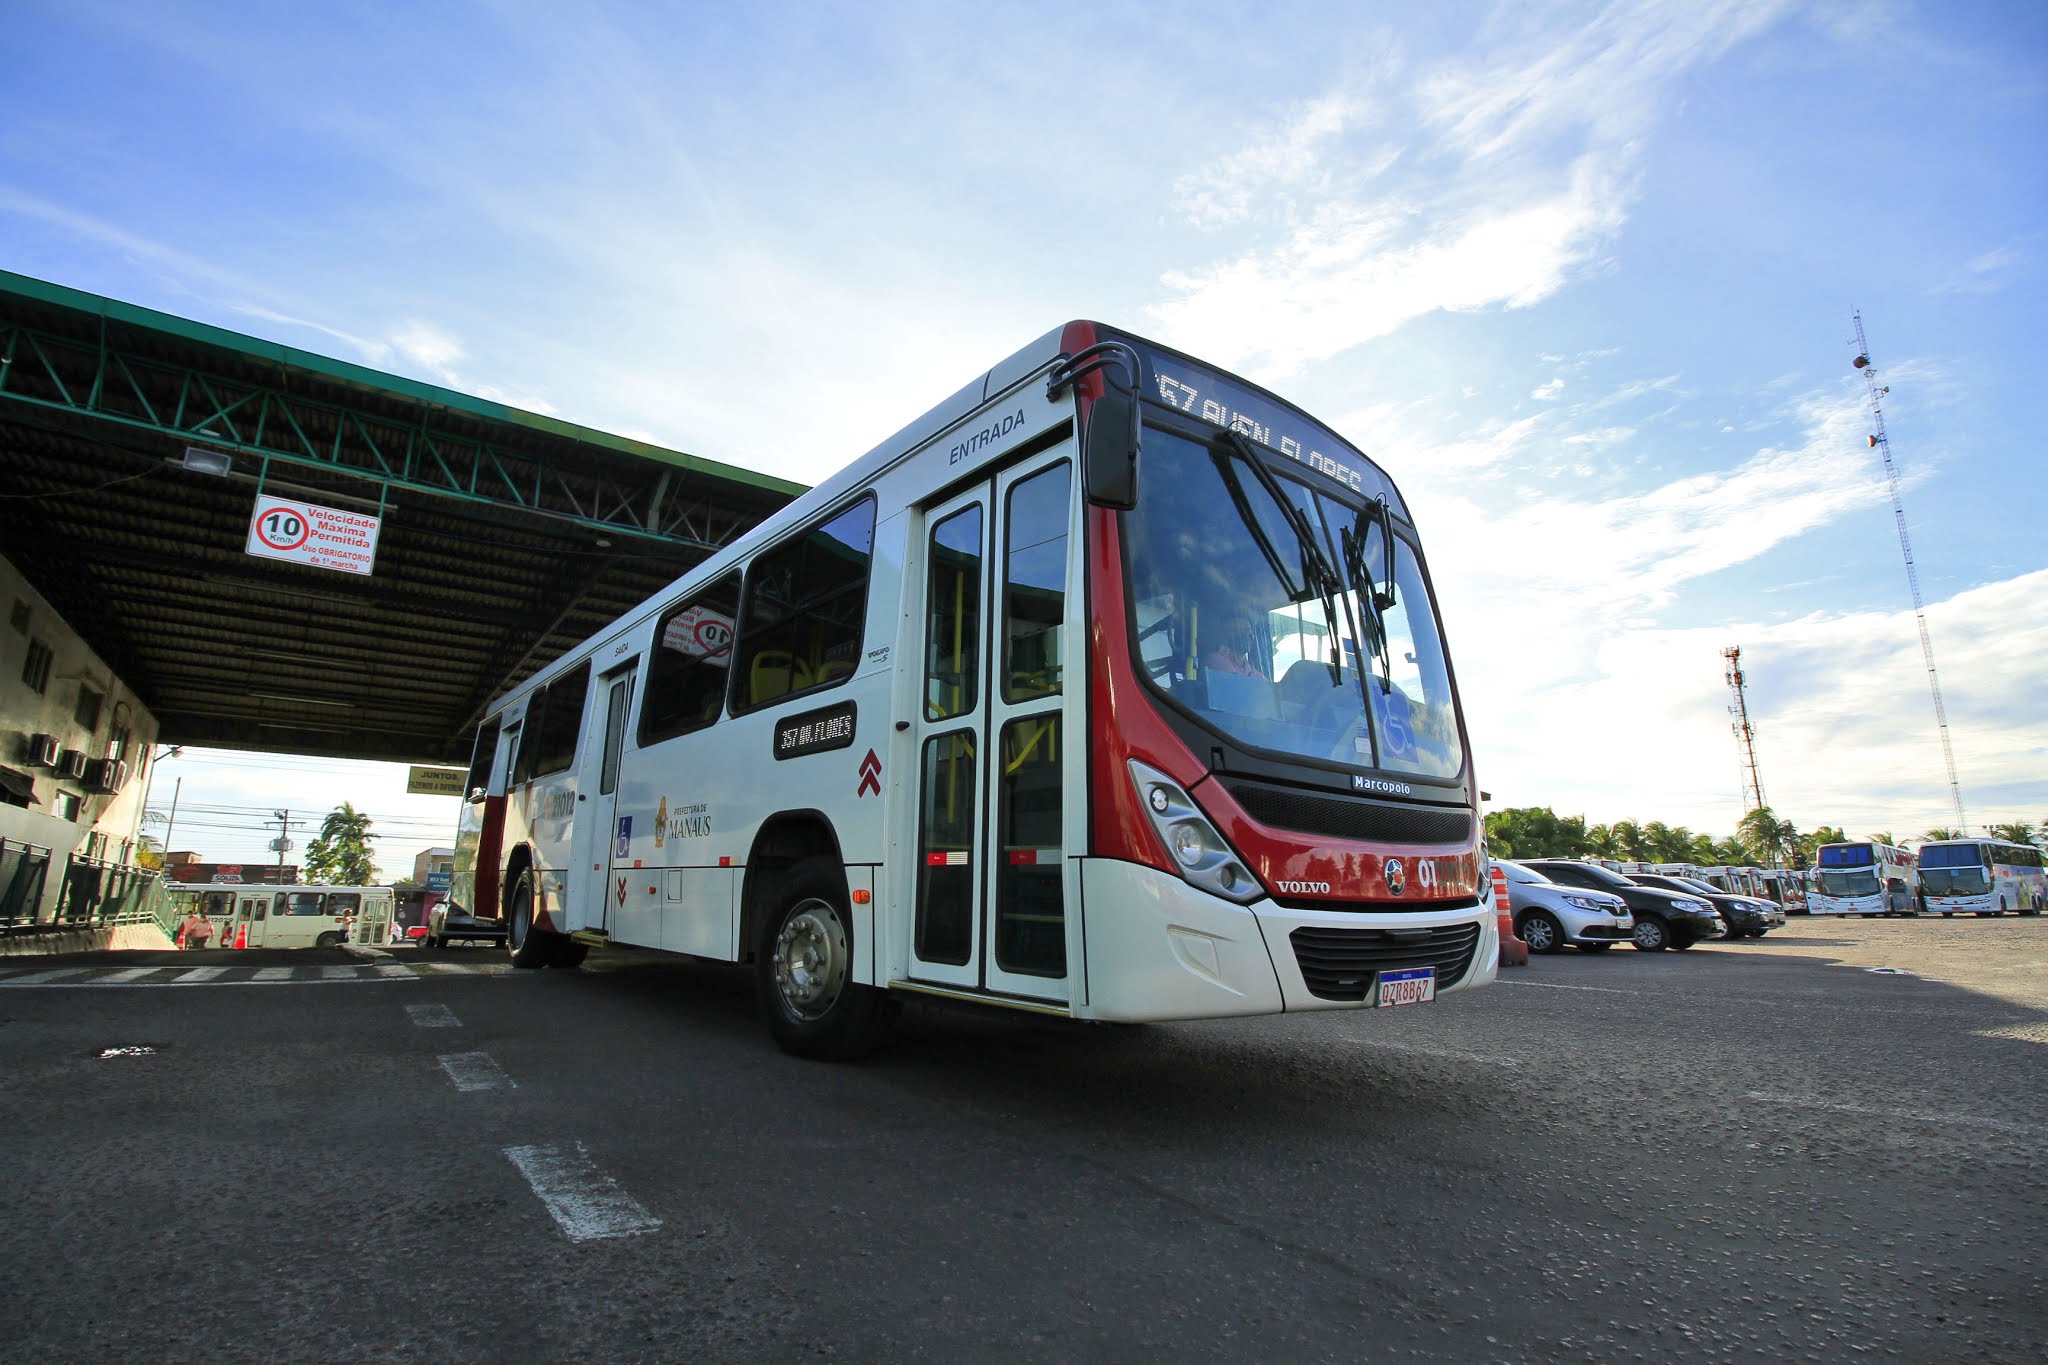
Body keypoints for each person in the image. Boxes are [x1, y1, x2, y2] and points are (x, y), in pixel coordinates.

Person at [1203, 610, 1268, 679]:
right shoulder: (1215, 661)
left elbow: (1269, 688)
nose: (1250, 636)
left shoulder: (1256, 675)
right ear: (1227, 635)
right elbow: (1237, 685)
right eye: (1242, 631)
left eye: (1250, 631)